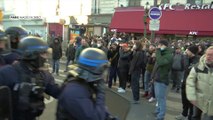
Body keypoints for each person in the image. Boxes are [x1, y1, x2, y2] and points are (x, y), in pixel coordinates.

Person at [0, 36, 61, 120]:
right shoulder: (7, 73)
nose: (46, 57)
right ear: (31, 55)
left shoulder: (44, 75)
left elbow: (58, 92)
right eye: (43, 53)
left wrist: (72, 84)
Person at [56, 48, 117, 120]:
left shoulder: (86, 83)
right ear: (94, 69)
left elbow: (97, 109)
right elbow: (96, 117)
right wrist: (101, 94)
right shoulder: (74, 91)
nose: (105, 73)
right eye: (103, 69)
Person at [186, 46, 213, 120]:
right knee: (195, 117)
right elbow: (190, 82)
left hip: (211, 102)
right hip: (199, 99)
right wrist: (192, 97)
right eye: (207, 54)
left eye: (211, 55)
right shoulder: (197, 67)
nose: (208, 57)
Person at [175, 45, 200, 120]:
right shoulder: (186, 58)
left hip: (192, 85)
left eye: (188, 50)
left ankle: (190, 116)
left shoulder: (197, 60)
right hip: (185, 83)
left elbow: (188, 68)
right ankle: (184, 114)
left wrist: (185, 58)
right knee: (184, 100)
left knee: (191, 103)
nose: (186, 51)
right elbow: (183, 68)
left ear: (191, 51)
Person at [151, 40, 173, 120]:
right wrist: (153, 77)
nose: (158, 47)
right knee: (158, 97)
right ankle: (158, 110)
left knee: (161, 98)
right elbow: (156, 66)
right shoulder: (162, 53)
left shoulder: (169, 55)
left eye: (159, 45)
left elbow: (160, 62)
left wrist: (157, 51)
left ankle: (161, 115)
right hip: (158, 78)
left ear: (164, 46)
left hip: (162, 79)